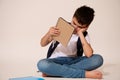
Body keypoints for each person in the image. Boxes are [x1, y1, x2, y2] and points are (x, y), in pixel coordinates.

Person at [37, 5, 103, 79]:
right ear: (72, 17)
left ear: (86, 26)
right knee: (42, 64)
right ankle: (83, 74)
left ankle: (55, 71)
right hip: (55, 60)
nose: (75, 27)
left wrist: (80, 33)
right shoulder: (61, 27)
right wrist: (48, 33)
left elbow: (89, 54)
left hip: (74, 61)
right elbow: (42, 44)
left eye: (80, 27)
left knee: (98, 59)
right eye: (74, 23)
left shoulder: (84, 35)